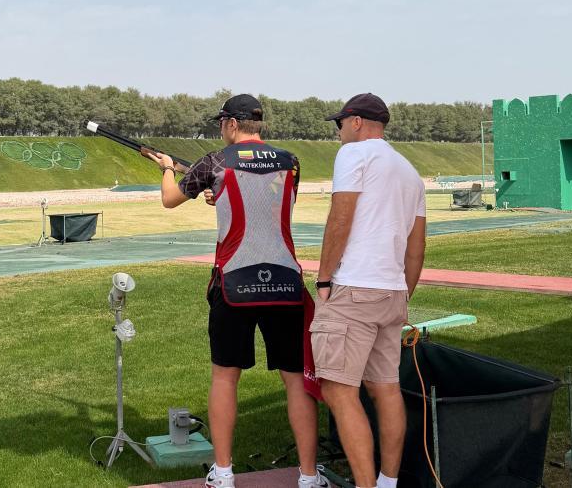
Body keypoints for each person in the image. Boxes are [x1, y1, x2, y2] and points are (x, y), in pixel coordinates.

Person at [144, 94, 329, 488]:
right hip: (285, 283)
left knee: (225, 379)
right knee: (296, 381)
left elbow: (169, 199)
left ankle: (224, 473)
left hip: (233, 283)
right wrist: (219, 194)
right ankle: (309, 476)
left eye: (221, 123)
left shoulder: (214, 161)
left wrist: (166, 169)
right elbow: (265, 202)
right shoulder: (291, 161)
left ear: (231, 123)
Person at [311, 93, 427, 488]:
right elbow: (416, 246)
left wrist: (324, 278)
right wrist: (404, 293)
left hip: (354, 288)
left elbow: (340, 216)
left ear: (357, 122)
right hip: (392, 292)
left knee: (339, 391)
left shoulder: (353, 154)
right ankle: (387, 482)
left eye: (340, 123)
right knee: (386, 389)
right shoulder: (409, 171)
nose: (339, 131)